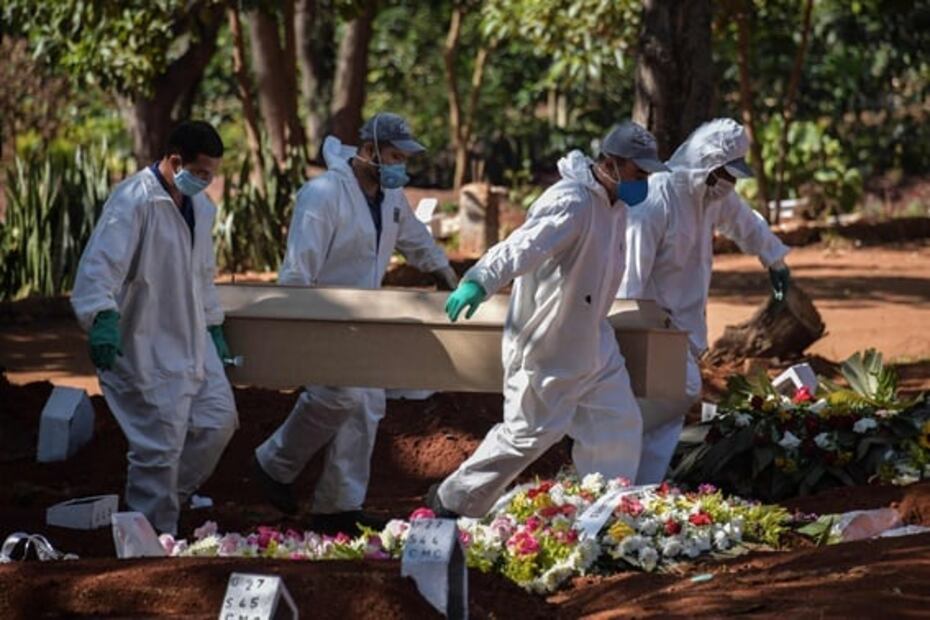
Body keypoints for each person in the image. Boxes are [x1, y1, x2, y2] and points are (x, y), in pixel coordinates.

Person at [427, 121, 669, 518]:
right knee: (529, 434)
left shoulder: (617, 206)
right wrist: (480, 280)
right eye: (638, 171)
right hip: (551, 343)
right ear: (611, 162)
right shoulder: (572, 202)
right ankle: (452, 498)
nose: (643, 181)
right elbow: (522, 245)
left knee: (618, 424)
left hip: (594, 340)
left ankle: (603, 512)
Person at [253, 112, 458, 533]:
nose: (402, 166)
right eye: (395, 156)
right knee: (340, 396)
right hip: (323, 316)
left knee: (366, 404)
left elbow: (416, 240)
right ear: (369, 151)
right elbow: (297, 271)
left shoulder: (390, 197)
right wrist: (297, 323)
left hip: (365, 320)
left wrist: (448, 278)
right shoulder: (324, 194)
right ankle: (273, 464)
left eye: (405, 158)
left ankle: (339, 508)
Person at [71, 121, 238, 536]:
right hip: (143, 343)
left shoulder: (200, 208)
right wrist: (101, 317)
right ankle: (149, 545)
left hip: (192, 338)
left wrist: (214, 326)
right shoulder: (134, 201)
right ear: (174, 160)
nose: (205, 181)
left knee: (219, 421)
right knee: (158, 449)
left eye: (211, 173)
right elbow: (99, 266)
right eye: (199, 172)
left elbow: (202, 273)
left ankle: (168, 500)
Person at [618, 117, 792, 484]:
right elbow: (630, 274)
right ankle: (616, 482)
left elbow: (746, 222)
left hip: (684, 328)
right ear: (707, 166)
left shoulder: (712, 197)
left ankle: (642, 489)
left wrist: (774, 257)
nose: (729, 184)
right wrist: (630, 329)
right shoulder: (657, 198)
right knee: (666, 399)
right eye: (725, 174)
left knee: (665, 415)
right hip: (651, 325)